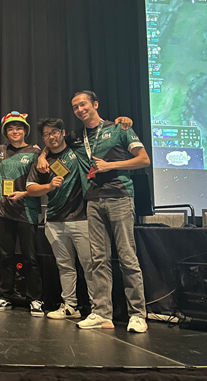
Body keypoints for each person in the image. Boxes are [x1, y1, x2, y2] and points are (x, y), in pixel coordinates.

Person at [69, 91, 150, 332]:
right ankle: (102, 313)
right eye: (75, 107)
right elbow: (55, 146)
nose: (80, 109)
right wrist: (42, 155)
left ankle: (138, 315)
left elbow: (143, 159)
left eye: (83, 104)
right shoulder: (77, 137)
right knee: (98, 259)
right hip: (93, 201)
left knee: (127, 256)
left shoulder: (119, 128)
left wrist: (111, 165)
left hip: (120, 197)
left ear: (95, 104)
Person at [26, 118, 93, 319]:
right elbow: (30, 188)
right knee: (65, 266)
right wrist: (48, 186)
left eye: (54, 132)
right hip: (54, 220)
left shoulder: (78, 150)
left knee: (89, 265)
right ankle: (70, 305)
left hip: (81, 218)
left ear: (63, 133)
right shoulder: (41, 163)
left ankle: (98, 308)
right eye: (46, 134)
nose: (51, 137)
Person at [0, 111, 44, 316]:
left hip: (27, 212)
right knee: (6, 256)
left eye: (19, 128)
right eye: (10, 128)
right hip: (4, 212)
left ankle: (35, 298)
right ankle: (5, 296)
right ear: (6, 131)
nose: (15, 131)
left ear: (25, 130)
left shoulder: (35, 152)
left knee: (30, 257)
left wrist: (43, 152)